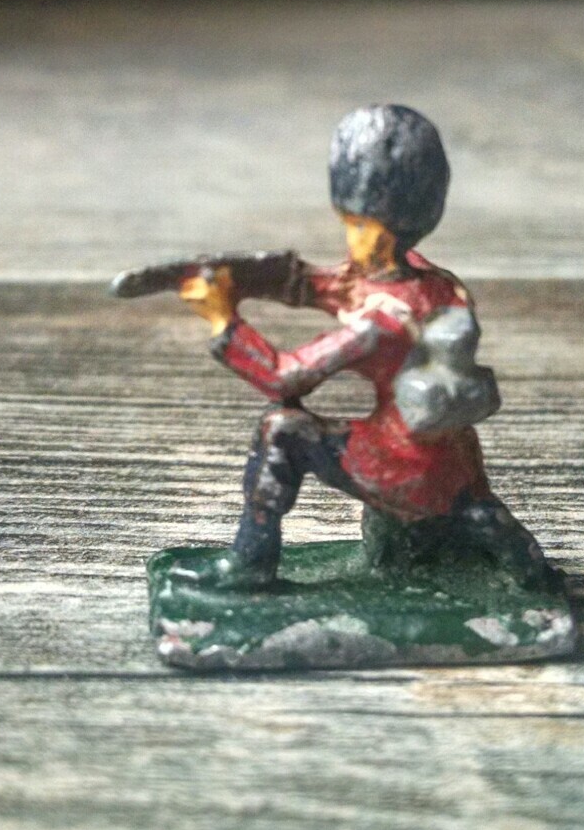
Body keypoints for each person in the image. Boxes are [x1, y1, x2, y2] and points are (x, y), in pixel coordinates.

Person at [174, 104, 560, 591]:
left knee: (282, 432)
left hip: (400, 464)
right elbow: (335, 286)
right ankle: (519, 560)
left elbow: (284, 378)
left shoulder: (378, 322)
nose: (350, 238)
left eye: (357, 226)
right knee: (478, 520)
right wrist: (256, 278)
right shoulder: (438, 284)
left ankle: (250, 566)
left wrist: (223, 320)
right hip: (454, 463)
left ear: (382, 232)